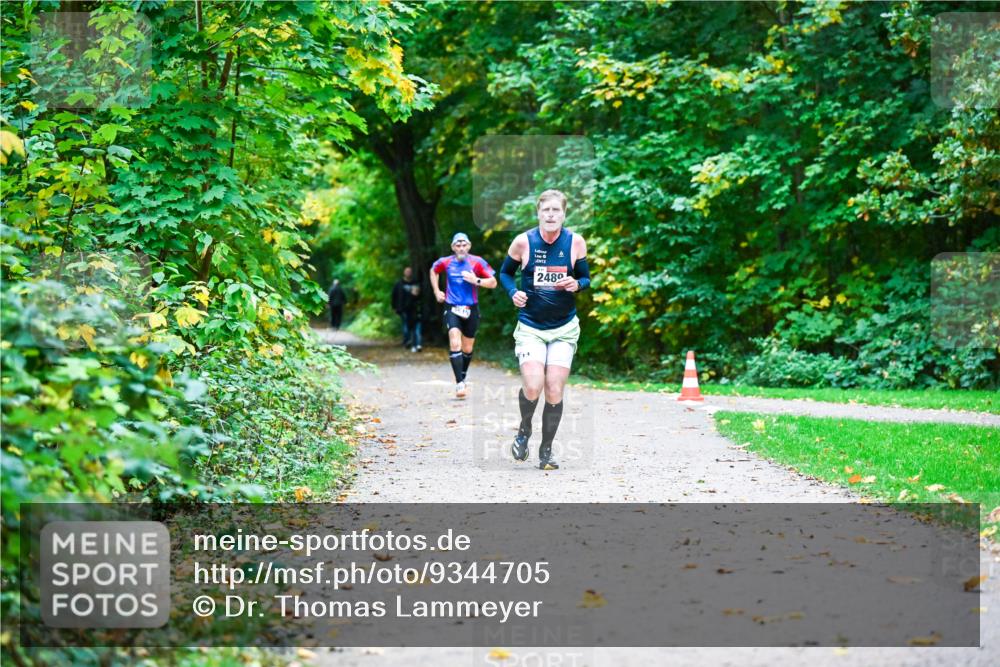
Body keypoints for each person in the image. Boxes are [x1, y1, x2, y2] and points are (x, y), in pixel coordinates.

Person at [498, 189, 591, 470]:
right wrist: (513, 291)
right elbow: (503, 273)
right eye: (545, 210)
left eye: (556, 211)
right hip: (531, 327)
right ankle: (524, 430)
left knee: (554, 389)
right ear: (538, 213)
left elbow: (585, 278)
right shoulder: (523, 242)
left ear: (564, 214)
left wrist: (578, 284)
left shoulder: (575, 242)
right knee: (534, 385)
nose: (551, 215)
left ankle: (547, 450)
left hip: (564, 328)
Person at [430, 232, 497, 398]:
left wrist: (477, 281)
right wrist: (436, 290)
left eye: (464, 245)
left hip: (471, 308)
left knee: (467, 348)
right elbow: (433, 270)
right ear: (453, 247)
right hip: (452, 307)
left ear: (469, 246)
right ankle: (460, 384)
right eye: (457, 245)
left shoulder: (477, 262)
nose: (461, 248)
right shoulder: (445, 262)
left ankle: (463, 376)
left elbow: (493, 282)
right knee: (454, 342)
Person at [391, 267, 422, 352]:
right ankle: (407, 341)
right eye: (407, 271)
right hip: (402, 308)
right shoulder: (399, 284)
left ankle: (412, 342)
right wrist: (394, 307)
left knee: (413, 326)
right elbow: (394, 296)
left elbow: (419, 295)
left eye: (410, 271)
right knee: (406, 326)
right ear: (404, 273)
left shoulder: (415, 283)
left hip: (414, 309)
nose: (408, 273)